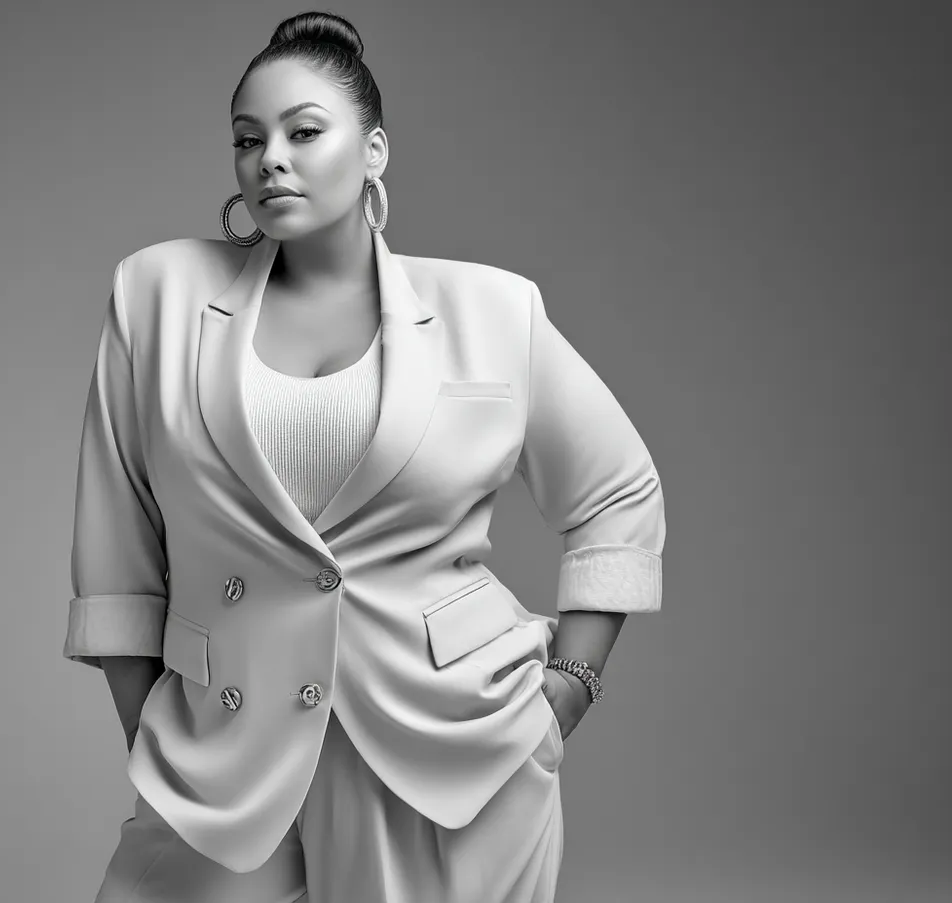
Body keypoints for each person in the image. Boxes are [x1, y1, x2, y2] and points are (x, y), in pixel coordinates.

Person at [63, 11, 666, 903]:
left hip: (451, 750)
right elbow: (117, 544)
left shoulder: (493, 311)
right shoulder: (155, 296)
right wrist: (148, 725)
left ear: (373, 149)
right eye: (248, 138)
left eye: (305, 131)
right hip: (224, 748)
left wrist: (567, 689)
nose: (272, 157)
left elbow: (619, 491)